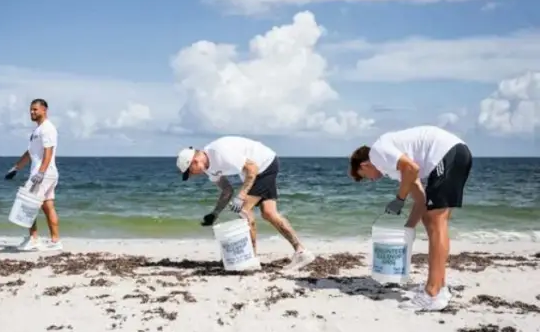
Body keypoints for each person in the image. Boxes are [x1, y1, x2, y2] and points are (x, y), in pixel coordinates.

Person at [348, 125, 473, 311]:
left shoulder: (378, 152)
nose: (372, 180)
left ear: (364, 165)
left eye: (365, 176)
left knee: (437, 221)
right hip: (455, 155)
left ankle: (432, 292)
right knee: (432, 220)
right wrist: (407, 231)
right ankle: (440, 286)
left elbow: (412, 168)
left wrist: (399, 199)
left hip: (447, 153)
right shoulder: (395, 167)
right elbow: (421, 201)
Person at [176, 136, 315, 271]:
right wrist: (215, 214)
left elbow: (252, 169)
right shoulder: (209, 169)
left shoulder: (220, 152)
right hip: (260, 168)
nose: (193, 175)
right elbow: (227, 190)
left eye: (190, 172)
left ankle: (251, 260)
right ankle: (302, 252)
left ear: (194, 162)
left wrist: (241, 196)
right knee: (269, 213)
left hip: (264, 165)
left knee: (243, 210)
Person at [4, 98, 61, 251]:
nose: (32, 112)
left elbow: (48, 151)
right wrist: (16, 168)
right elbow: (30, 153)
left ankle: (34, 239)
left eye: (35, 109)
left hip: (43, 174)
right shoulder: (37, 130)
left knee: (28, 204)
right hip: (47, 173)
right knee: (48, 206)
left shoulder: (47, 128)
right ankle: (56, 241)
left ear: (44, 110)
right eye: (31, 109)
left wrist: (41, 172)